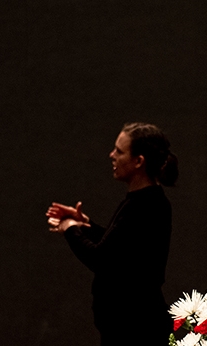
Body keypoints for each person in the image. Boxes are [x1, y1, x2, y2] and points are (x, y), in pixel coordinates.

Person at [46, 123, 178, 346]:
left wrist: (70, 227)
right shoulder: (142, 202)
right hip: (129, 327)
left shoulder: (145, 205)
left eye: (119, 151)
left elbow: (101, 258)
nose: (112, 155)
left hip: (136, 331)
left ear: (139, 161)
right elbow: (119, 246)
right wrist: (84, 224)